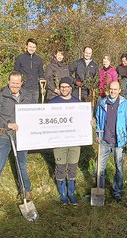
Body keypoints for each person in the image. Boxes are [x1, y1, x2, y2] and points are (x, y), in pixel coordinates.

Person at [0, 71, 36, 205]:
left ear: (21, 83)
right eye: (12, 83)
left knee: (22, 165)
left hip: (22, 137)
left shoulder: (28, 96)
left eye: (17, 83)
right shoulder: (0, 97)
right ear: (8, 82)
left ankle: (26, 191)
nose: (15, 85)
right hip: (4, 135)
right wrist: (7, 124)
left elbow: (34, 113)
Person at [95, 81, 127, 202]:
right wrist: (97, 134)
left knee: (119, 169)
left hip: (120, 141)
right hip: (104, 141)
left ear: (119, 90)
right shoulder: (102, 103)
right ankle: (99, 191)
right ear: (108, 90)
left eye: (115, 89)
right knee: (99, 169)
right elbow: (98, 120)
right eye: (111, 89)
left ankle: (117, 191)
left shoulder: (125, 104)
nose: (113, 91)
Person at [49, 77, 81, 205]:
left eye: (67, 87)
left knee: (73, 167)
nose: (64, 89)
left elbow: (83, 120)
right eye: (62, 87)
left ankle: (71, 193)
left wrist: (90, 122)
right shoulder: (52, 103)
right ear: (59, 88)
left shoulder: (78, 103)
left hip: (74, 141)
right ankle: (63, 194)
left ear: (71, 88)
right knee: (61, 167)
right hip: (59, 142)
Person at [14, 38, 45, 102]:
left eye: (34, 47)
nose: (32, 49)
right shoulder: (20, 58)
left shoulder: (38, 59)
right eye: (30, 46)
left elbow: (41, 73)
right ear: (26, 46)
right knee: (23, 107)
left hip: (35, 89)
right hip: (23, 88)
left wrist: (42, 86)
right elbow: (16, 73)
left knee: (34, 108)